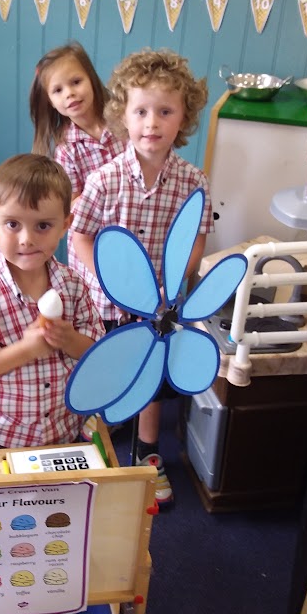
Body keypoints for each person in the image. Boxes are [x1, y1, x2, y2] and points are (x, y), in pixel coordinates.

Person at [72, 48, 213, 505]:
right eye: (141, 111)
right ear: (124, 117)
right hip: (108, 301)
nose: (152, 123)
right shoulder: (103, 180)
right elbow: (80, 238)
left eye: (165, 111)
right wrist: (110, 279)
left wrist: (173, 284)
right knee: (110, 372)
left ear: (183, 118)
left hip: (160, 306)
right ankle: (102, 450)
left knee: (151, 378)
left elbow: (198, 237)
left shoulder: (194, 181)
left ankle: (149, 453)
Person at [0, 153, 104, 451]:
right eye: (13, 224)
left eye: (43, 225)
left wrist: (69, 339)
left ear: (65, 224)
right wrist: (25, 350)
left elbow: (96, 351)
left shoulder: (74, 287)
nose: (27, 239)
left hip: (63, 429)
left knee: (59, 497)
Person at [30, 42, 125, 440]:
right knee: (98, 329)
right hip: (94, 247)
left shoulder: (122, 120)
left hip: (132, 233)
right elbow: (75, 203)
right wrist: (103, 191)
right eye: (58, 90)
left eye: (76, 81)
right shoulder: (67, 148)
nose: (70, 93)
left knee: (131, 326)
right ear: (49, 102)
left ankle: (128, 398)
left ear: (91, 80)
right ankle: (101, 406)